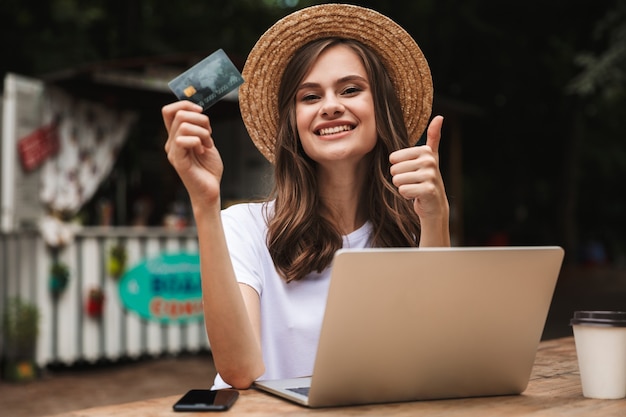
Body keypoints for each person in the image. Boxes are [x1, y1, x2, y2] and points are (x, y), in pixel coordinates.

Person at [162, 4, 450, 390]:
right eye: (309, 97)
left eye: (350, 90)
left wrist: (436, 218)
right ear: (293, 125)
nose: (330, 106)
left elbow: (436, 358)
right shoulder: (243, 227)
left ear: (381, 109)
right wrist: (204, 202)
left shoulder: (415, 229)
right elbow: (239, 370)